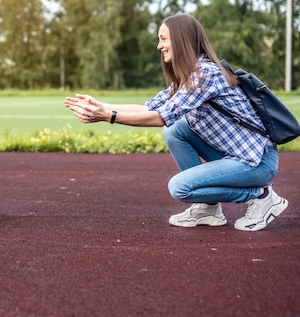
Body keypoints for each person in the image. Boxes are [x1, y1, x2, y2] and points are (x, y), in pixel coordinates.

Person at [64, 13, 288, 231]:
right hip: (236, 156)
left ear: (181, 40)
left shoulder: (205, 75)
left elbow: (160, 118)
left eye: (163, 39)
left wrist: (108, 117)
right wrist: (102, 107)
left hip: (257, 163)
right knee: (176, 130)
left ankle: (261, 196)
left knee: (180, 187)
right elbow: (149, 108)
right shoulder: (188, 77)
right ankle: (208, 209)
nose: (159, 46)